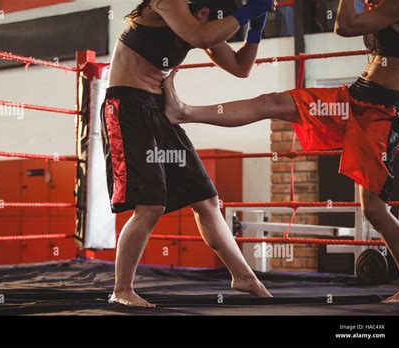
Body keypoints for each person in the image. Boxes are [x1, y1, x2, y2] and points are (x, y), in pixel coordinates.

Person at [164, 0, 399, 303]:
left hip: (382, 110)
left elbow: (344, 26)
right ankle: (183, 111)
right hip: (355, 97)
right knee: (272, 102)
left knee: (373, 209)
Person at [102, 0, 277, 308]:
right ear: (205, 13)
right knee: (151, 205)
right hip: (127, 108)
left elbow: (241, 68)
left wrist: (255, 28)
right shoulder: (170, 5)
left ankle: (243, 276)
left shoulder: (199, 23)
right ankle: (122, 289)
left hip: (160, 111)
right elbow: (201, 37)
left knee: (207, 200)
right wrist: (248, 10)